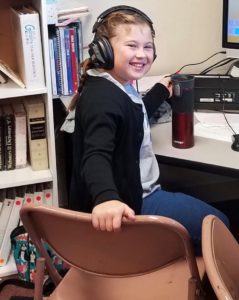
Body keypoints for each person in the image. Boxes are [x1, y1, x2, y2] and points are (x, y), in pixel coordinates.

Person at [68, 5, 229, 253]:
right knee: (219, 224)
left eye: (148, 46)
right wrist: (107, 198)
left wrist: (158, 94)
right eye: (132, 46)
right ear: (104, 50)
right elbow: (95, 155)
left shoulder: (113, 85)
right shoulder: (103, 100)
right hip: (135, 202)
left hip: (131, 191)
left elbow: (128, 113)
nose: (142, 54)